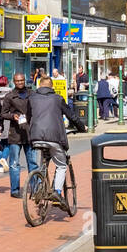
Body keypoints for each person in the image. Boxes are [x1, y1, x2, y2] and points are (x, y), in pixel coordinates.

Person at [27, 75, 86, 209]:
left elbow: (29, 116)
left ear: (39, 85)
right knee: (61, 165)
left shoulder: (32, 98)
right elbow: (72, 116)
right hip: (54, 137)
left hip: (36, 137)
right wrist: (82, 128)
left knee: (43, 162)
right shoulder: (58, 99)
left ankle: (39, 187)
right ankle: (57, 192)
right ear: (52, 87)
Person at [2, 73, 37, 198]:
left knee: (33, 163)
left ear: (24, 81)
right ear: (14, 82)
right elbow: (3, 113)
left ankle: (35, 189)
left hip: (30, 133)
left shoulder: (32, 94)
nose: (20, 83)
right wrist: (13, 116)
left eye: (22, 80)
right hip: (15, 134)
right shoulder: (9, 96)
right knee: (14, 164)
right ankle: (15, 190)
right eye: (17, 81)